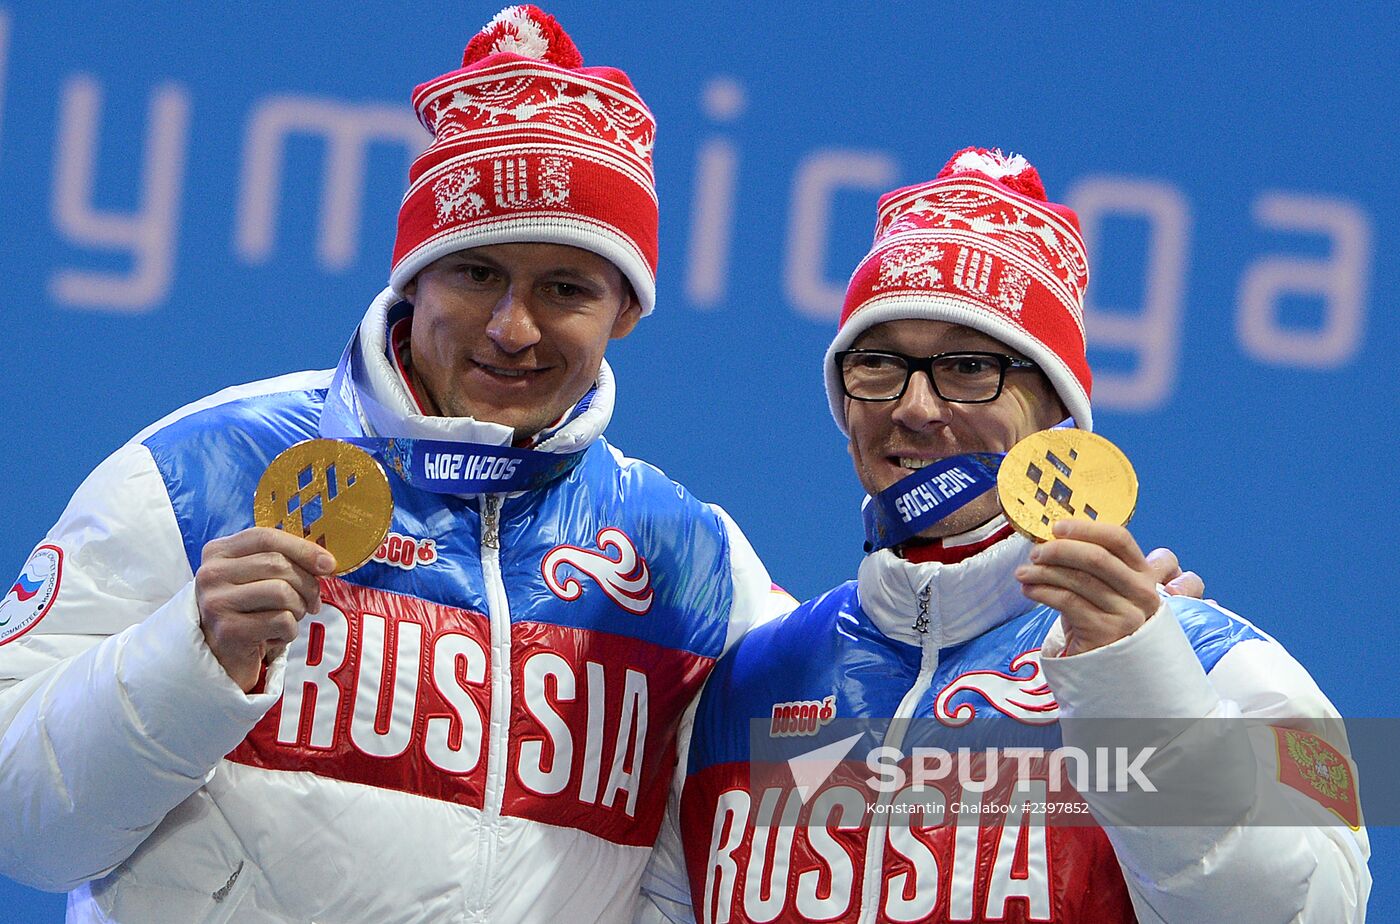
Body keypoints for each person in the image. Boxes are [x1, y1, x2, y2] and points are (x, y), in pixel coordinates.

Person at [0, 7, 794, 922]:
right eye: (477, 273)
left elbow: (782, 837)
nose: (514, 327)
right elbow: (23, 831)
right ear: (413, 276)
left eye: (565, 288)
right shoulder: (200, 471)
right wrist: (190, 660)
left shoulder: (687, 561)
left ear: (626, 313)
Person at [637, 149, 1370, 923]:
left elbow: (1311, 911)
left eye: (968, 367)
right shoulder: (747, 687)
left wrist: (1143, 690)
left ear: (1057, 412)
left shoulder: (1224, 665)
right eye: (881, 364)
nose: (915, 408)